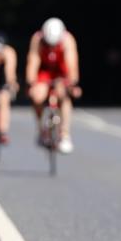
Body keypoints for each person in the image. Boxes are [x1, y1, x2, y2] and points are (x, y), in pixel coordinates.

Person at [26, 17, 81, 154]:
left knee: (63, 95)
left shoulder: (68, 40)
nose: (51, 47)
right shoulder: (37, 39)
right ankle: (41, 130)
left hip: (61, 71)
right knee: (37, 97)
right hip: (44, 71)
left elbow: (72, 64)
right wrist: (32, 83)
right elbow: (33, 61)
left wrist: (72, 83)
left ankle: (64, 134)